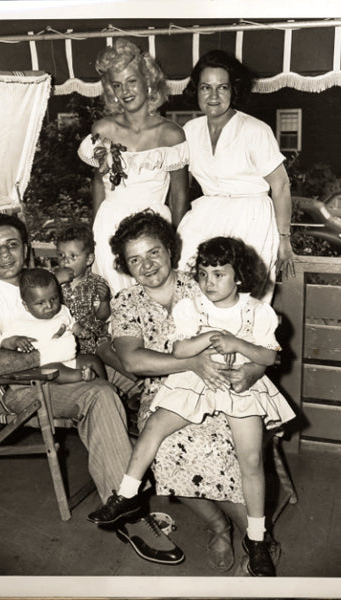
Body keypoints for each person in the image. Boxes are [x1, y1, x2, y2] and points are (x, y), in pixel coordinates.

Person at [0, 211, 185, 565]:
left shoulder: (42, 281)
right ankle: (128, 512)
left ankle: (168, 464)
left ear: (26, 248)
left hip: (74, 365)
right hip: (30, 387)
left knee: (145, 372)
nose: (4, 255)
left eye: (12, 245)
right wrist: (52, 354)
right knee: (100, 394)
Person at [88, 235, 296, 576]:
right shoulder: (136, 301)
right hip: (180, 389)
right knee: (164, 441)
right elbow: (151, 357)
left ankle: (257, 537)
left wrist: (244, 357)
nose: (148, 264)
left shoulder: (205, 290)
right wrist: (201, 353)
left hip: (238, 388)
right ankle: (201, 521)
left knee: (246, 457)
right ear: (125, 265)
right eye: (135, 259)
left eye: (154, 252)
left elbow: (269, 355)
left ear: (169, 252)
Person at [177, 49, 295, 302]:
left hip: (251, 216)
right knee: (189, 288)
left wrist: (284, 239)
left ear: (234, 90)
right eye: (206, 87)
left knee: (244, 296)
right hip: (206, 214)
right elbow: (179, 185)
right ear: (196, 90)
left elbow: (281, 186)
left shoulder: (255, 130)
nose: (214, 96)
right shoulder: (189, 130)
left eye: (222, 87)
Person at [77, 38, 189, 294]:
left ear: (148, 82)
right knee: (115, 303)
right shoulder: (103, 130)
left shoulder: (171, 134)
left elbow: (179, 195)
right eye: (117, 85)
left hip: (155, 229)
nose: (125, 91)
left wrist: (176, 241)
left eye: (131, 81)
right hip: (110, 225)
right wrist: (94, 234)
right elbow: (97, 182)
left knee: (157, 301)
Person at [54, 223, 136, 386]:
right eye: (61, 255)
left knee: (105, 350)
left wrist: (104, 301)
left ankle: (137, 379)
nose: (65, 262)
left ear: (89, 259)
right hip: (67, 337)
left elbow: (102, 316)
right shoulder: (52, 281)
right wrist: (56, 281)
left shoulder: (96, 283)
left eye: (72, 256)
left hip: (94, 335)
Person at [0, 267, 106, 383]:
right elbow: (4, 344)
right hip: (47, 364)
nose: (49, 306)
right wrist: (16, 340)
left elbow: (72, 324)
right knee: (57, 372)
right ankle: (82, 376)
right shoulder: (21, 322)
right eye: (41, 303)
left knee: (94, 361)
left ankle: (105, 384)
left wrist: (80, 331)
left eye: (53, 299)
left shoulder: (62, 310)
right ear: (26, 305)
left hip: (71, 358)